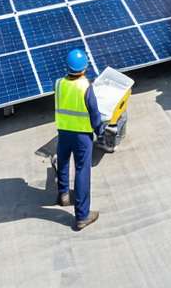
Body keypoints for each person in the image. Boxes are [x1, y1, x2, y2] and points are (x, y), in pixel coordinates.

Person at [55, 48, 103, 230]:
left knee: (63, 160)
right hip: (82, 135)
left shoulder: (58, 83)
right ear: (84, 68)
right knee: (82, 169)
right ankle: (82, 216)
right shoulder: (86, 88)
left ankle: (63, 194)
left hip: (63, 130)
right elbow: (94, 114)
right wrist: (100, 130)